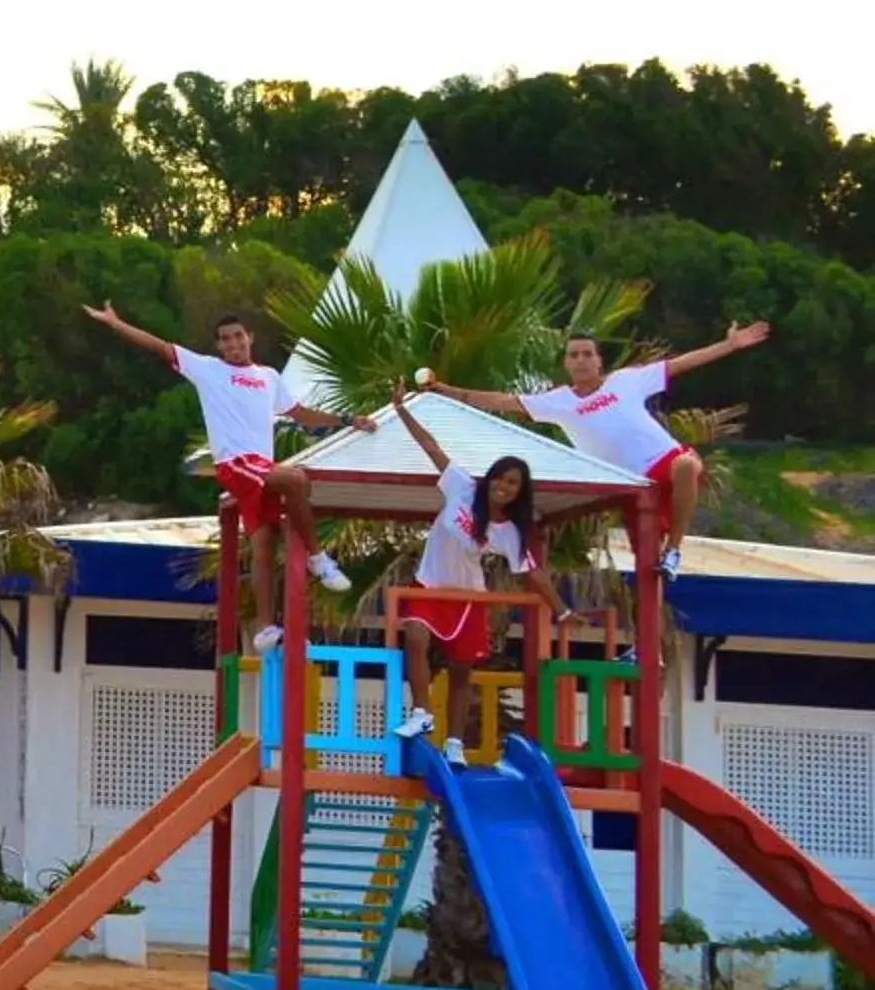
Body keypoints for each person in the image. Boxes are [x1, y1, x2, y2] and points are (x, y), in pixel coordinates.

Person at [82, 303, 373, 651]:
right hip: (237, 464)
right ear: (219, 346)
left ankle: (266, 627)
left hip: (262, 468)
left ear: (249, 338)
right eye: (225, 340)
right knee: (296, 480)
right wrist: (117, 324)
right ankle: (317, 558)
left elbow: (301, 415)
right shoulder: (208, 369)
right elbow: (158, 346)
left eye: (238, 336)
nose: (233, 344)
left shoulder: (269, 377)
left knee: (263, 541)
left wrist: (346, 419)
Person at [424, 322, 767, 578]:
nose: (581, 360)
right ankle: (647, 641)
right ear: (567, 364)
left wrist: (729, 345)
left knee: (686, 466)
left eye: (588, 354)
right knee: (646, 568)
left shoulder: (626, 380)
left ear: (599, 361)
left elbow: (682, 364)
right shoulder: (556, 401)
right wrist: (445, 390)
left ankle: (675, 549)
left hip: (666, 461)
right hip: (632, 484)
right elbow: (502, 401)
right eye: (574, 355)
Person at [387, 383, 560, 760]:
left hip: (467, 597)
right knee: (415, 636)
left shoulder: (509, 531)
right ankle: (421, 712)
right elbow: (432, 448)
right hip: (430, 586)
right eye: (500, 477)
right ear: (490, 478)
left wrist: (561, 609)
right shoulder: (462, 487)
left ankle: (454, 744)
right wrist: (401, 411)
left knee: (461, 671)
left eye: (513, 483)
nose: (504, 486)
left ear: (519, 492)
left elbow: (532, 573)